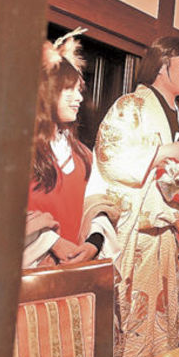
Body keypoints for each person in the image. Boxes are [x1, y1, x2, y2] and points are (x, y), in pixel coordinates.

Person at [88, 36, 179, 357]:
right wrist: (163, 152)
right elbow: (110, 158)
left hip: (172, 236)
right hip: (141, 234)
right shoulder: (130, 106)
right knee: (134, 326)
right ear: (162, 64)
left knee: (166, 329)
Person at [24, 28, 119, 268]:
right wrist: (51, 242)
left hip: (75, 269)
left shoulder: (83, 155)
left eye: (79, 90)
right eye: (68, 89)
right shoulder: (17, 149)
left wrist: (93, 243)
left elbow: (96, 206)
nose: (78, 98)